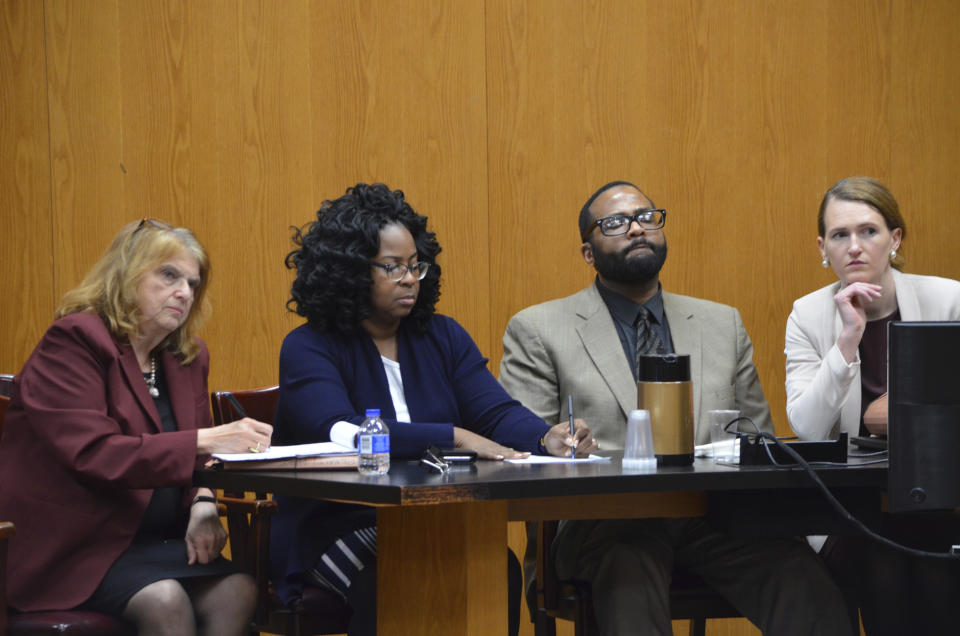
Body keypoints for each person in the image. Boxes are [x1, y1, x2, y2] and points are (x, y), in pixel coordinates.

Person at [499, 180, 851, 636]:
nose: (637, 229)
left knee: (807, 584)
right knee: (628, 577)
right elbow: (525, 454)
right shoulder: (539, 329)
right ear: (588, 253)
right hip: (605, 526)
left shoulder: (720, 323)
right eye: (616, 223)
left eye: (647, 217)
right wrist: (562, 445)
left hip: (714, 518)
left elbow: (757, 440)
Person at [269, 182, 596, 636]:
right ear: (347, 271)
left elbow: (494, 412)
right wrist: (452, 436)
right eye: (391, 267)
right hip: (337, 522)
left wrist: (546, 437)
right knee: (392, 578)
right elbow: (338, 429)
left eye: (415, 266)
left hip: (435, 513)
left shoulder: (442, 336)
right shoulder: (308, 346)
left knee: (494, 564)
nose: (409, 279)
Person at [0, 219, 273, 635]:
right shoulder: (74, 342)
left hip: (153, 543)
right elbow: (95, 453)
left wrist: (202, 503)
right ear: (126, 275)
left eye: (192, 283)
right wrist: (207, 439)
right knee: (165, 601)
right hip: (75, 549)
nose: (183, 292)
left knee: (238, 589)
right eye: (168, 275)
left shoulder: (187, 356)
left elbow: (203, 461)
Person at [785, 176, 960, 634]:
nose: (855, 247)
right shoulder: (807, 315)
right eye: (840, 236)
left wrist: (897, 415)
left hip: (938, 499)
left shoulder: (948, 300)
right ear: (822, 247)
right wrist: (847, 341)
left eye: (869, 231)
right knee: (883, 564)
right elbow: (807, 427)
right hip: (850, 508)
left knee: (939, 568)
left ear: (895, 238)